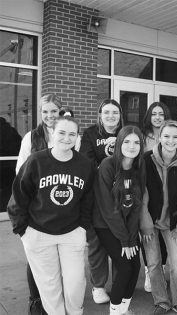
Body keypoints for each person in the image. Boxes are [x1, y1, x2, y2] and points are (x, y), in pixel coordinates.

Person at [8, 116, 95, 315]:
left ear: (77, 137)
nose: (67, 138)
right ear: (52, 134)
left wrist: (83, 227)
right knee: (49, 286)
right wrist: (23, 231)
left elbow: (88, 199)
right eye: (62, 133)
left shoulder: (85, 165)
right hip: (38, 233)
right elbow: (18, 197)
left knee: (75, 283)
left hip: (72, 233)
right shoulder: (36, 161)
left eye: (72, 134)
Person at [15, 93, 80, 315]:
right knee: (37, 264)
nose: (49, 115)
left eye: (54, 111)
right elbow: (20, 174)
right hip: (38, 210)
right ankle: (36, 302)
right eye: (45, 111)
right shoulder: (31, 138)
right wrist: (22, 227)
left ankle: (57, 303)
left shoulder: (69, 135)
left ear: (60, 111)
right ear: (40, 113)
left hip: (63, 207)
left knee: (59, 267)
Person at [140, 120, 177, 315]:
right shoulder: (146, 159)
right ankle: (161, 301)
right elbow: (142, 194)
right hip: (150, 220)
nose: (171, 140)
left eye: (175, 137)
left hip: (173, 223)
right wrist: (145, 225)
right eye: (167, 136)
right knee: (153, 263)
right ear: (159, 137)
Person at [93, 126, 146, 315]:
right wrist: (125, 240)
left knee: (135, 265)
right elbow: (108, 208)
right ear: (119, 143)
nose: (132, 146)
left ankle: (123, 308)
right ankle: (115, 311)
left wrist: (131, 238)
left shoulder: (138, 168)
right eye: (127, 141)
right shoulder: (108, 165)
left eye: (136, 142)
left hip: (127, 225)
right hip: (106, 225)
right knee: (124, 267)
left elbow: (136, 207)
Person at [80, 99, 124, 304]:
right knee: (97, 243)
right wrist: (107, 172)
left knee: (119, 240)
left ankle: (119, 283)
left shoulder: (126, 132)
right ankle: (98, 286)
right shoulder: (90, 134)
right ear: (100, 114)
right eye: (106, 112)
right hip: (96, 197)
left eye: (115, 112)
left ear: (120, 115)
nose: (111, 116)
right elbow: (86, 162)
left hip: (121, 195)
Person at [141, 101, 170, 292]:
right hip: (146, 189)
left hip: (167, 190)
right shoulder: (143, 137)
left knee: (165, 232)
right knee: (148, 232)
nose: (157, 117)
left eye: (161, 114)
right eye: (154, 114)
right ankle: (150, 273)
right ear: (149, 117)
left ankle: (163, 269)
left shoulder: (171, 135)